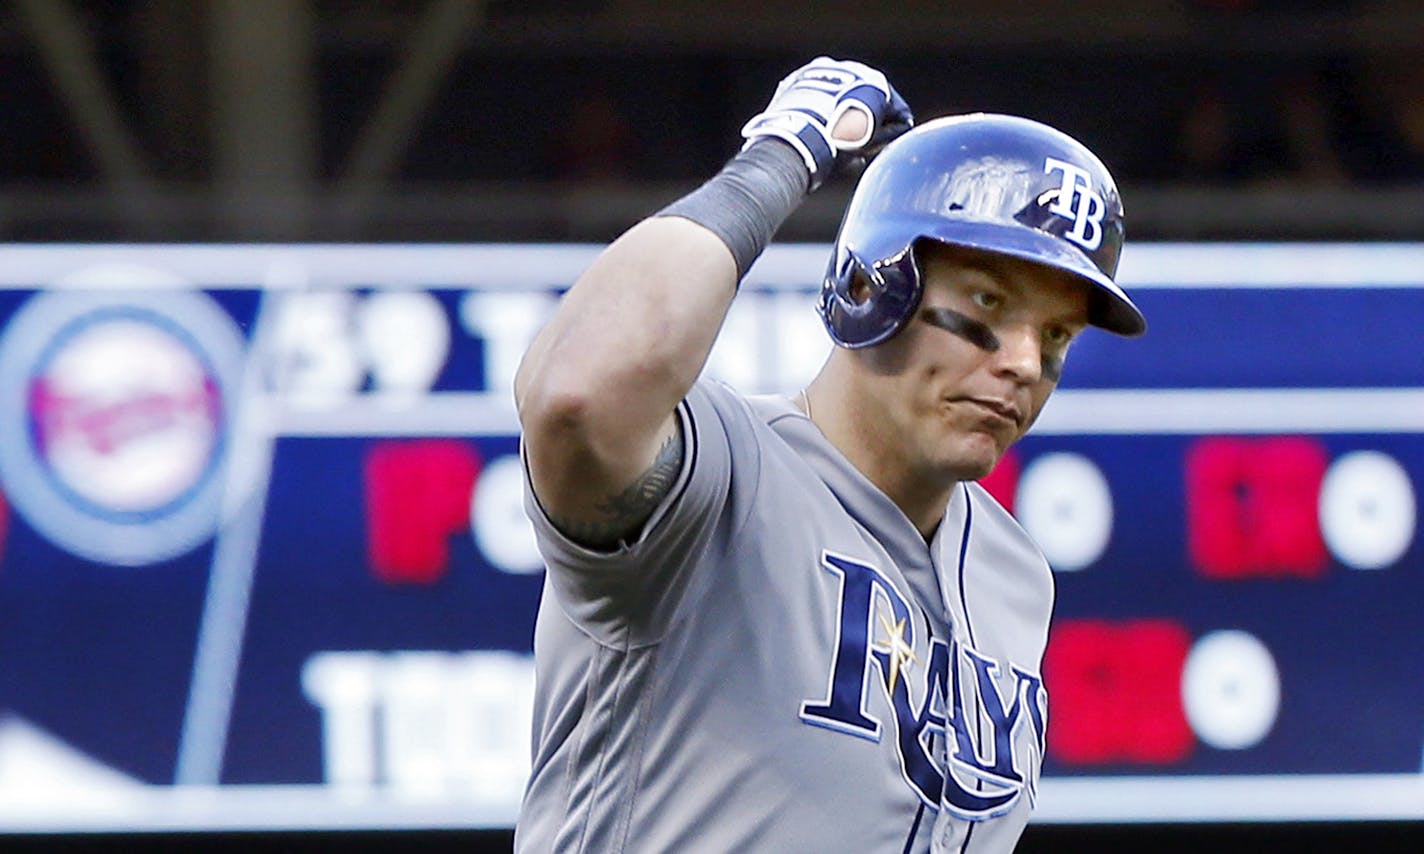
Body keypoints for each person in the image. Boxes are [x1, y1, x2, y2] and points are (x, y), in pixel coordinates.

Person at [513, 57, 1145, 853]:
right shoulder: (719, 484)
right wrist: (780, 155)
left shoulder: (1013, 575)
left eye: (1055, 335)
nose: (1023, 360)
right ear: (872, 285)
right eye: (988, 300)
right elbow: (578, 393)